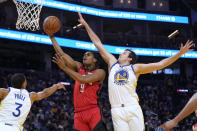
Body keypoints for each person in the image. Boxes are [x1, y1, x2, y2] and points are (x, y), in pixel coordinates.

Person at [77, 12, 195, 131]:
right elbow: (97, 43)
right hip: (116, 110)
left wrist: (179, 53)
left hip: (132, 108)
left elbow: (160, 64)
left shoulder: (135, 68)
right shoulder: (112, 63)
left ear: (129, 58)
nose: (120, 53)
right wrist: (86, 24)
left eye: (124, 53)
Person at [45, 30, 107, 131]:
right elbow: (62, 54)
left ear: (95, 60)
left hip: (92, 111)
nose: (84, 56)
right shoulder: (79, 67)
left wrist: (64, 68)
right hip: (78, 113)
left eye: (88, 55)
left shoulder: (100, 72)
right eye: (84, 55)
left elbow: (83, 79)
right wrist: (52, 37)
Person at [0, 73, 65, 131]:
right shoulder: (30, 96)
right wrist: (56, 86)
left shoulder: (4, 92)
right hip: (16, 128)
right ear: (24, 83)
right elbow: (45, 93)